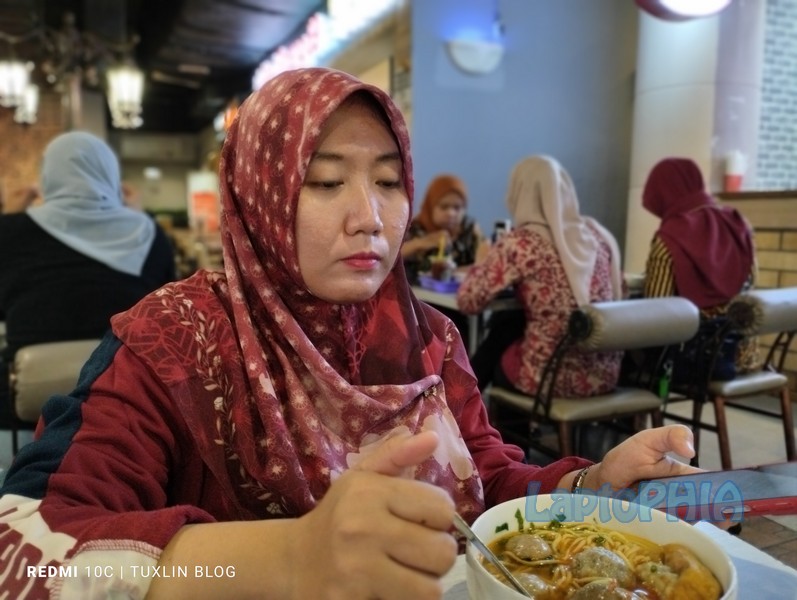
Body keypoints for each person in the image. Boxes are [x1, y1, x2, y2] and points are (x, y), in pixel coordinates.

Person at [0, 69, 697, 600]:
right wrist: (289, 558)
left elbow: (485, 479)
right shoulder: (175, 341)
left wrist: (587, 484)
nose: (370, 217)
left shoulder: (429, 338)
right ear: (259, 193)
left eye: (389, 182)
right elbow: (25, 552)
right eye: (325, 182)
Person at [0, 131, 176, 427]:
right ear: (110, 175)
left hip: (24, 404)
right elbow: (163, 305)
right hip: (130, 398)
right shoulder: (147, 233)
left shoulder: (8, 232)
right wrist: (139, 217)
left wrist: (10, 218)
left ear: (47, 176)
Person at [458, 155, 624, 395]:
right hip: (605, 375)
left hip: (548, 378)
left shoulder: (521, 243)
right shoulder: (597, 237)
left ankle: (466, 406)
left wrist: (481, 260)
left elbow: (468, 301)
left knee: (503, 331)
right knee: (512, 322)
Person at [641, 157, 758, 378]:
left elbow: (657, 309)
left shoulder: (669, 239)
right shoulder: (739, 225)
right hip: (742, 355)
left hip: (694, 362)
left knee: (624, 352)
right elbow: (750, 282)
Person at [401, 173, 485, 283]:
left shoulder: (469, 229)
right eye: (444, 207)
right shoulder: (415, 227)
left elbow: (485, 263)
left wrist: (452, 272)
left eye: (457, 208)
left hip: (457, 291)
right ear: (431, 206)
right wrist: (421, 243)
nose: (451, 213)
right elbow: (392, 258)